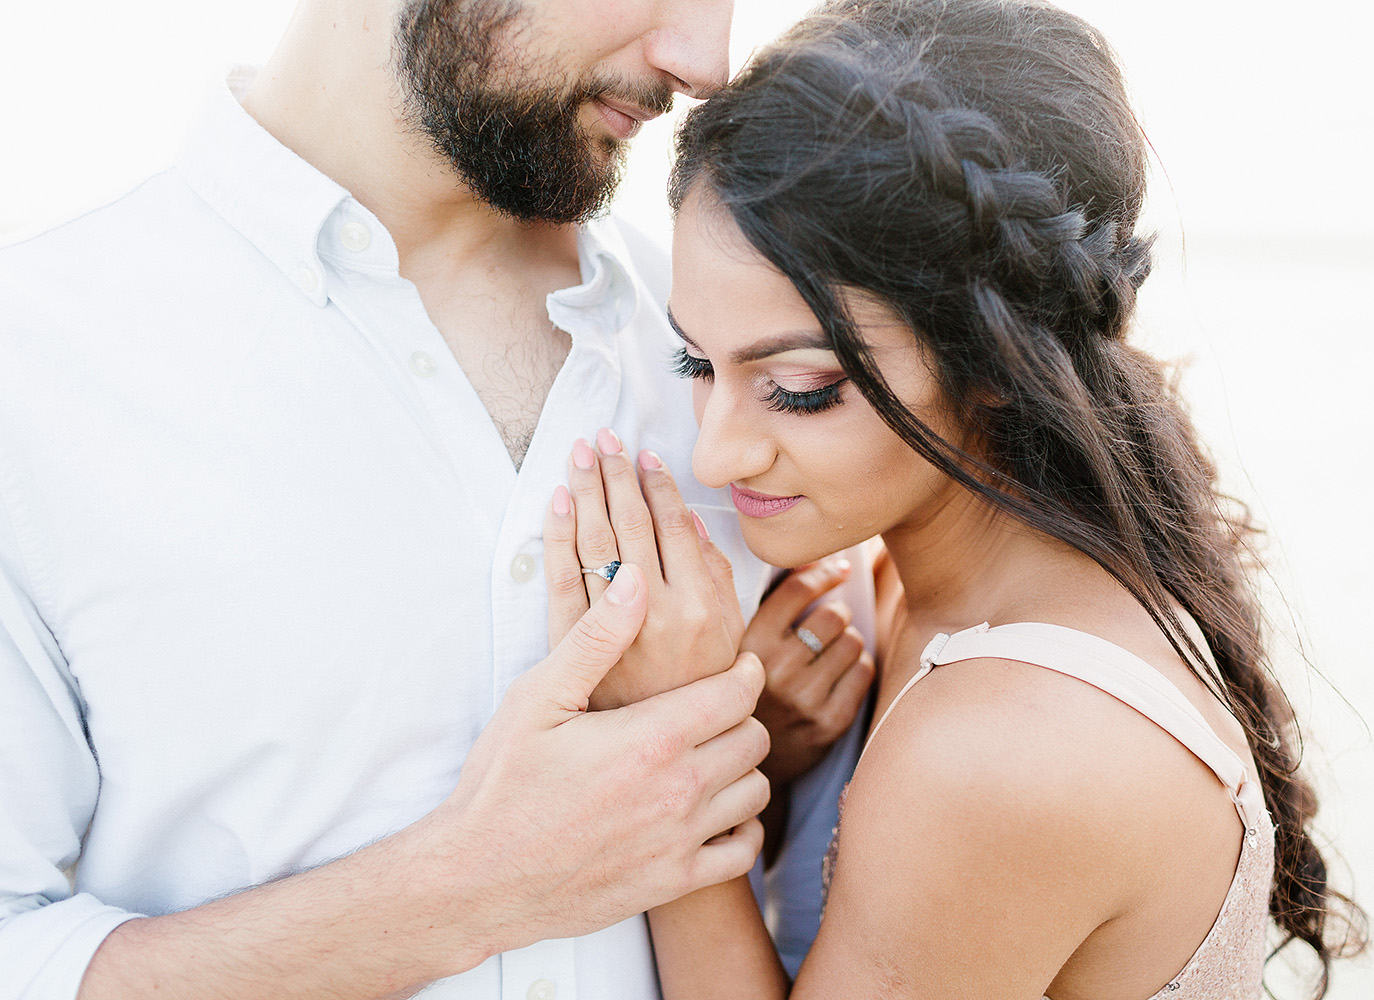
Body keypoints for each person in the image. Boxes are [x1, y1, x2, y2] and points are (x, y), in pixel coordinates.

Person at [0, 1, 874, 997]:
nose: (705, 62)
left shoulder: (751, 361)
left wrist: (737, 748)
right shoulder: (30, 369)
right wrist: (473, 887)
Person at [550, 0, 1368, 997]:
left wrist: (676, 743)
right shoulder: (934, 580)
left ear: (991, 362)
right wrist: (766, 739)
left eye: (799, 388)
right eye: (696, 359)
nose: (715, 455)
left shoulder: (1003, 745)